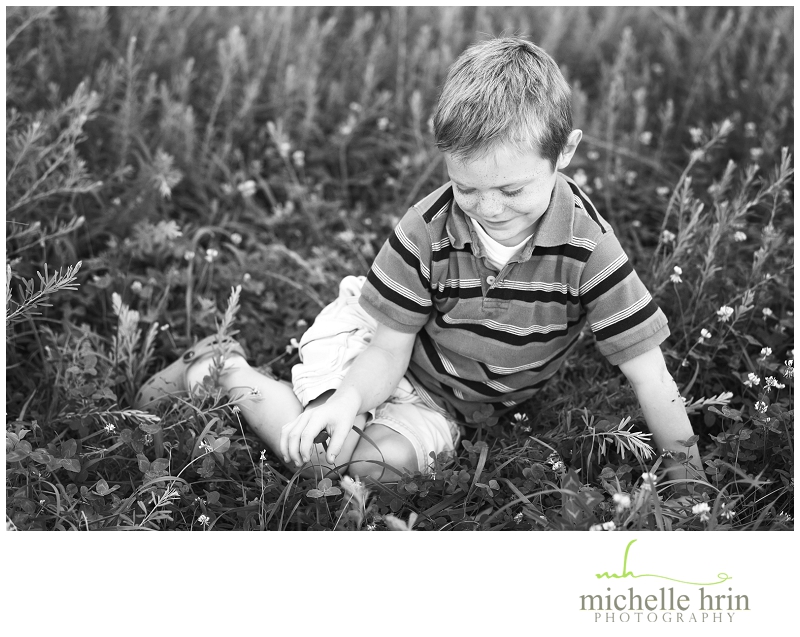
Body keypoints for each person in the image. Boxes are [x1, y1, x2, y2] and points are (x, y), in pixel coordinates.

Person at [137, 36, 703, 486]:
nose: (489, 209)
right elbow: (389, 348)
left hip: (450, 405)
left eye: (512, 190)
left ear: (567, 151)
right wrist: (351, 400)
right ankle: (223, 371)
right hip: (379, 345)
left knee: (368, 468)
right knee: (323, 456)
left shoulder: (589, 249)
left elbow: (651, 376)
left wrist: (689, 486)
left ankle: (260, 392)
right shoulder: (427, 229)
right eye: (466, 187)